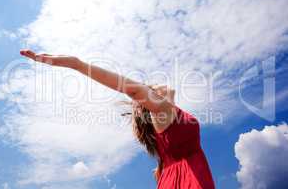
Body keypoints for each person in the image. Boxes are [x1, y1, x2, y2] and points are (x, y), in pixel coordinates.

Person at [20, 49, 215, 189]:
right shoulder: (164, 112)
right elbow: (134, 89)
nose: (156, 86)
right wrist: (76, 64)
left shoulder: (168, 130)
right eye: (151, 89)